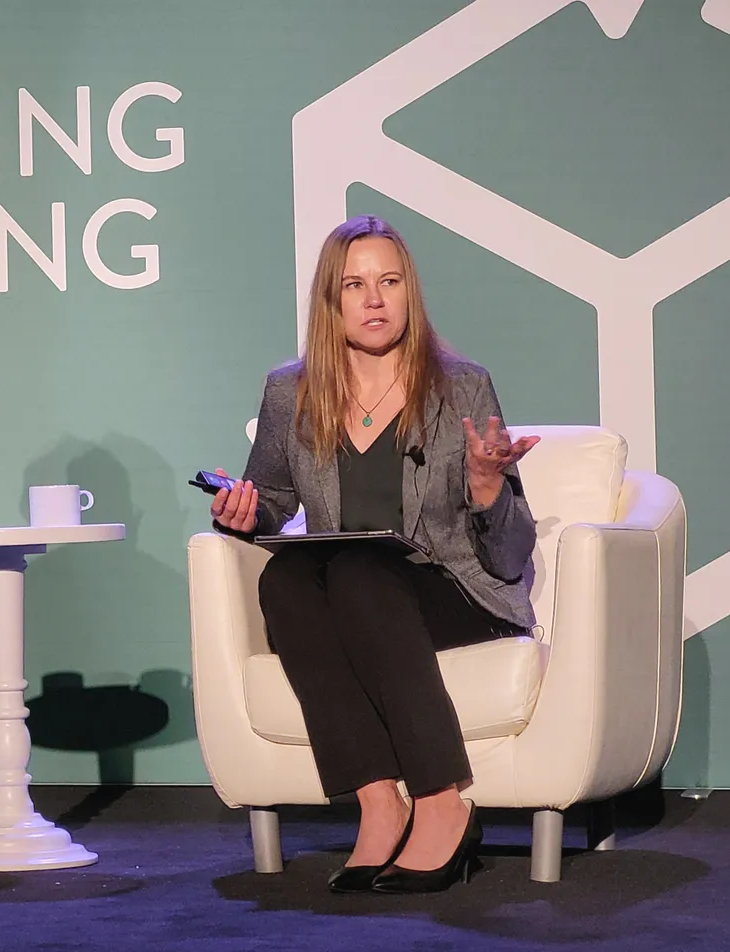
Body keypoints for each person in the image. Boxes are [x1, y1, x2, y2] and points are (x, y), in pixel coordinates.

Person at [210, 215, 539, 894]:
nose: (375, 300)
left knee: (359, 570)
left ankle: (445, 804)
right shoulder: (290, 391)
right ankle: (377, 802)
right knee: (287, 579)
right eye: (355, 285)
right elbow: (271, 496)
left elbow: (509, 555)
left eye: (389, 282)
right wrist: (242, 513)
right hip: (356, 589)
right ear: (330, 301)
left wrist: (486, 489)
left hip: (454, 590)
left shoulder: (463, 387)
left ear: (408, 292)